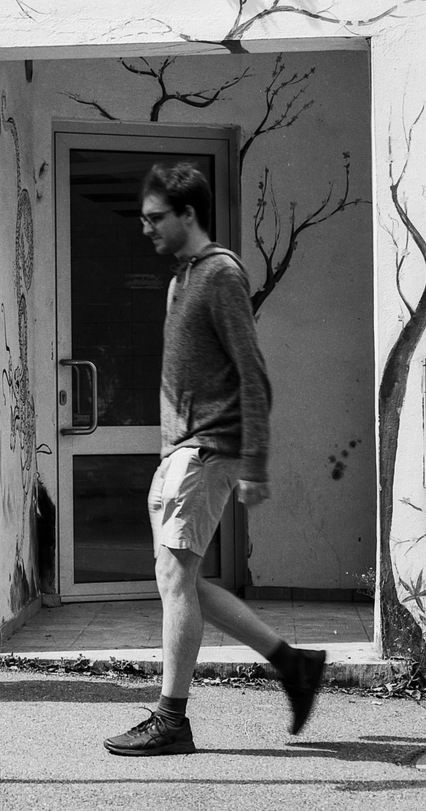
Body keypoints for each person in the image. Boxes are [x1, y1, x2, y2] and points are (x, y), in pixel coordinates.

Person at [104, 163, 326, 757]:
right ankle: (294, 665)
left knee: (176, 580)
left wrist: (255, 461)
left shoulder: (222, 275)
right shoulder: (184, 281)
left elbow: (253, 372)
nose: (146, 228)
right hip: (184, 453)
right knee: (182, 582)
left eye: (156, 218)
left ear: (187, 215)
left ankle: (171, 717)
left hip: (210, 449)